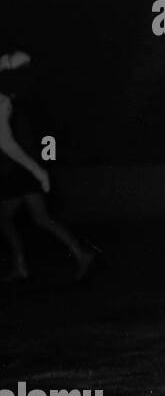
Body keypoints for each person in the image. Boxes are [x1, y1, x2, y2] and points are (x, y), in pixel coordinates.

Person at [0, 52, 96, 283]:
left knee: (12, 219)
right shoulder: (11, 99)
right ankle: (79, 255)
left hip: (17, 171)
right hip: (22, 169)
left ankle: (24, 265)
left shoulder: (8, 102)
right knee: (36, 218)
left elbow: (8, 143)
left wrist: (35, 169)